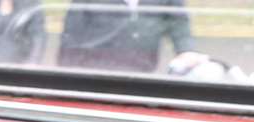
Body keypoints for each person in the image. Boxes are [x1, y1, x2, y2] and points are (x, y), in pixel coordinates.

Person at [59, 0, 202, 73]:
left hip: (143, 71)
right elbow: (72, 34)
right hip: (97, 75)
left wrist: (186, 50)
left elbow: (177, 20)